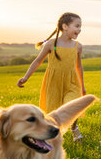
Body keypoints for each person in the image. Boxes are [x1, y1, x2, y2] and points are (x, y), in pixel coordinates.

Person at [17, 12, 87, 142]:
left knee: (72, 105)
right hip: (53, 82)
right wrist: (26, 77)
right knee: (52, 111)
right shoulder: (50, 44)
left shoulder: (78, 46)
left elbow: (79, 67)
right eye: (76, 26)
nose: (79, 29)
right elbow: (37, 61)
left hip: (72, 82)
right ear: (65, 26)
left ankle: (74, 127)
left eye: (80, 26)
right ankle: (49, 135)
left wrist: (82, 87)